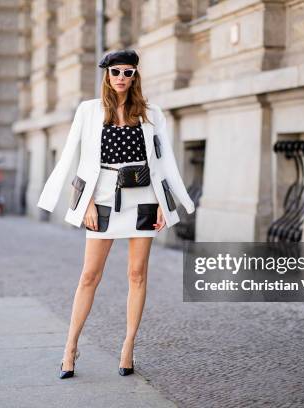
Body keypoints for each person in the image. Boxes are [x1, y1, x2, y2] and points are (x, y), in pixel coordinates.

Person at [36, 49, 195, 379]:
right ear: (106, 75)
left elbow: (164, 163)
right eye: (116, 72)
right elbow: (74, 156)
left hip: (144, 198)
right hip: (104, 198)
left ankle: (128, 346)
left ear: (136, 76)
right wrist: (87, 202)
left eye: (128, 72)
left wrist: (168, 204)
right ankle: (70, 347)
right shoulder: (89, 111)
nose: (122, 78)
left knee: (137, 275)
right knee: (89, 276)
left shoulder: (151, 113)